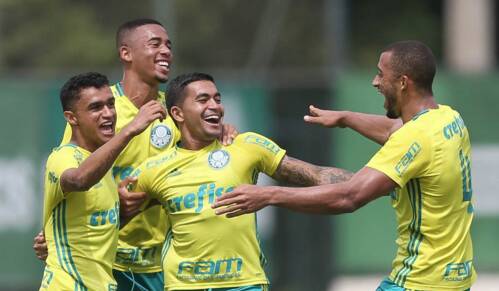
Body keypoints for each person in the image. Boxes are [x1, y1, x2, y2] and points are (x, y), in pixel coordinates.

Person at [213, 41, 476, 291]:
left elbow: (350, 197)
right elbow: (395, 130)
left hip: (419, 281)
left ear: (403, 82)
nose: (375, 81)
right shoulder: (447, 118)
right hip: (454, 277)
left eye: (380, 74)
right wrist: (346, 118)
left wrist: (270, 194)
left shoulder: (414, 138)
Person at [34, 18, 237, 291]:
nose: (166, 51)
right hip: (110, 261)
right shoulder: (101, 111)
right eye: (155, 44)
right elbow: (73, 174)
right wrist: (53, 236)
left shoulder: (178, 111)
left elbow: (199, 164)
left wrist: (223, 130)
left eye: (168, 45)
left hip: (164, 261)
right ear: (126, 53)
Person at [122, 72, 353, 291]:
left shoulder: (246, 146)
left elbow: (317, 174)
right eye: (203, 100)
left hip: (244, 283)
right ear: (178, 113)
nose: (214, 106)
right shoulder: (154, 169)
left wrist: (377, 180)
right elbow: (110, 220)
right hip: (184, 285)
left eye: (217, 98)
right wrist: (120, 205)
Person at [40, 72, 166, 290]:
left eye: (110, 104)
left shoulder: (103, 169)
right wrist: (130, 130)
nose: (108, 113)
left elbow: (100, 227)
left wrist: (141, 204)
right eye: (96, 107)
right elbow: (79, 180)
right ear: (72, 118)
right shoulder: (62, 157)